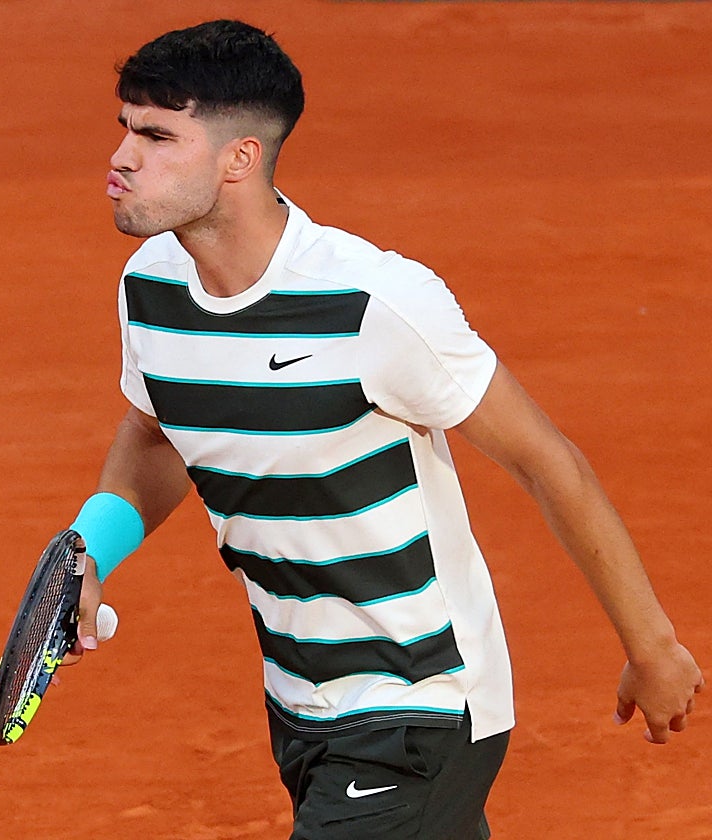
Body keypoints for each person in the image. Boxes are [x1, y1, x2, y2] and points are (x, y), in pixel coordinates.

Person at [60, 18, 703, 839]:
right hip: (300, 702)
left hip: (417, 705)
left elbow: (550, 462)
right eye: (124, 130)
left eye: (155, 135)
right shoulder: (152, 285)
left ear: (239, 159)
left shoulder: (375, 305)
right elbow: (158, 432)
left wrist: (654, 648)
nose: (121, 158)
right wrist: (90, 547)